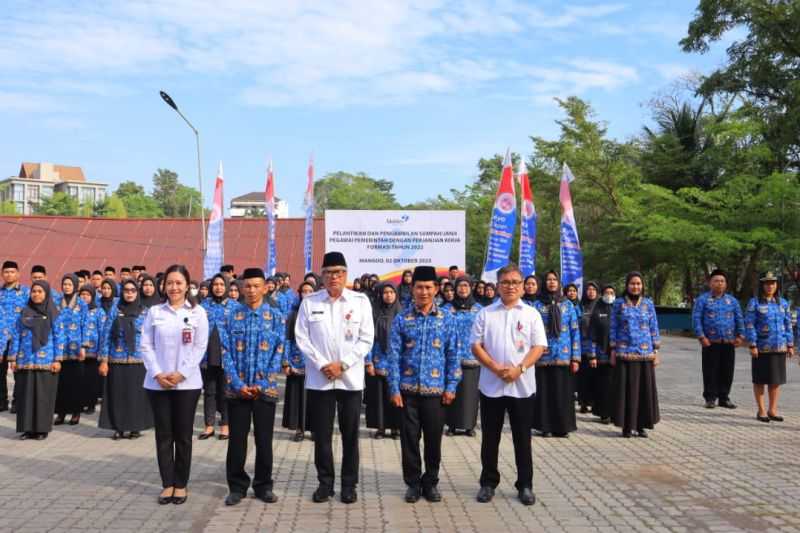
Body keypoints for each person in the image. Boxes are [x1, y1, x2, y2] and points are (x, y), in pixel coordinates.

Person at [295, 252, 374, 505]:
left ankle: (349, 485)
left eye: (338, 272)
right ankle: (325, 484)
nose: (333, 277)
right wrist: (321, 364)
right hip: (320, 380)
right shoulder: (310, 302)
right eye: (328, 273)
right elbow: (302, 338)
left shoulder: (360, 301)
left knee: (350, 434)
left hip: (350, 380)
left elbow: (366, 339)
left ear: (346, 274)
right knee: (322, 435)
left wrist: (344, 364)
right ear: (322, 275)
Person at [470, 264, 546, 506]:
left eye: (515, 282)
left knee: (522, 438)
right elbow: (476, 345)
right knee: (490, 438)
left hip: (522, 387)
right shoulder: (485, 313)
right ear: (498, 286)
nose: (511, 286)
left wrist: (519, 369)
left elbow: (539, 347)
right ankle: (488, 483)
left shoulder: (531, 314)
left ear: (523, 286)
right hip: (491, 385)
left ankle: (525, 485)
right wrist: (494, 368)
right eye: (506, 282)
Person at [388, 265, 460, 504]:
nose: (424, 292)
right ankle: (413, 483)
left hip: (436, 392)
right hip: (407, 392)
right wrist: (394, 388)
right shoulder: (402, 319)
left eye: (429, 287)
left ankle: (431, 482)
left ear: (437, 289)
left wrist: (451, 387)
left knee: (433, 440)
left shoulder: (447, 319)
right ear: (412, 288)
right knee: (409, 440)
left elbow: (453, 355)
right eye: (419, 287)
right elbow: (393, 356)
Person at [141, 264, 209, 505]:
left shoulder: (198, 312)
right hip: (157, 383)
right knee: (163, 435)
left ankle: (181, 484)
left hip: (187, 384)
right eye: (170, 283)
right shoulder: (155, 312)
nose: (174, 287)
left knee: (183, 435)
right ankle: (167, 483)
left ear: (187, 285)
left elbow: (200, 347)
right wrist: (158, 373)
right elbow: (146, 345)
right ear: (163, 285)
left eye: (179, 282)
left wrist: (181, 374)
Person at [222, 268, 284, 507]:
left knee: (264, 440)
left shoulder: (276, 317)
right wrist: (237, 383)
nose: (251, 290)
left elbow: (279, 353)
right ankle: (237, 486)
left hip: (264, 391)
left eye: (256, 285)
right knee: (237, 440)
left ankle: (263, 486)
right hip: (237, 391)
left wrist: (262, 383)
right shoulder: (230, 316)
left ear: (265, 287)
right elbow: (225, 351)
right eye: (247, 286)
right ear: (240, 288)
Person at [98, 279, 154, 439]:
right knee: (118, 395)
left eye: (133, 291)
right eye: (126, 290)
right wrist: (104, 361)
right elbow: (106, 335)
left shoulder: (145, 312)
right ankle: (119, 427)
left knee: (136, 395)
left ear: (137, 293)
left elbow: (151, 338)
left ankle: (135, 427)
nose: (129, 293)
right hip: (117, 360)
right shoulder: (115, 311)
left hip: (139, 361)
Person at [10, 280, 64, 440]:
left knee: (43, 397)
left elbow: (59, 336)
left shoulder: (53, 311)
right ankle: (27, 428)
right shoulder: (24, 312)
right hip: (25, 361)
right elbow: (16, 335)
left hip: (46, 361)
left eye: (40, 291)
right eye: (34, 291)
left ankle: (42, 429)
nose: (36, 294)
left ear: (46, 293)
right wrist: (13, 358)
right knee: (25, 396)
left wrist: (57, 359)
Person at [610, 272, 661, 438]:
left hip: (645, 354)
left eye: (638, 283)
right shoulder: (618, 304)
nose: (635, 286)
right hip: (624, 353)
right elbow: (613, 327)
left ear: (642, 286)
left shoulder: (648, 304)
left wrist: (656, 351)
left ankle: (641, 426)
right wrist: (612, 349)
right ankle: (626, 426)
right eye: (632, 283)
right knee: (626, 392)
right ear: (627, 285)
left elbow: (654, 327)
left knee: (643, 391)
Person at [531, 271, 580, 437]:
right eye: (548, 280)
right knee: (544, 393)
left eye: (554, 280)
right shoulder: (536, 305)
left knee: (563, 393)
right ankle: (545, 427)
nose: (551, 282)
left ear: (559, 283)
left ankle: (562, 427)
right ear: (544, 283)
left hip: (563, 356)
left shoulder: (568, 305)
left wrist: (576, 358)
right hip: (542, 356)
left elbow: (575, 331)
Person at [745, 272, 794, 423]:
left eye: (773, 283)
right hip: (762, 348)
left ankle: (772, 410)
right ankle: (761, 411)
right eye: (767, 283)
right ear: (762, 285)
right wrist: (752, 344)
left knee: (775, 381)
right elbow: (750, 324)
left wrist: (790, 344)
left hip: (779, 347)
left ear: (776, 285)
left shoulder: (783, 303)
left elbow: (788, 325)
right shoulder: (755, 303)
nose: (770, 286)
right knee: (760, 380)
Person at [692, 269, 745, 409]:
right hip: (710, 342)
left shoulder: (732, 301)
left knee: (727, 371)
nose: (719, 284)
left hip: (728, 342)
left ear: (726, 284)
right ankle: (710, 398)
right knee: (710, 370)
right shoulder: (702, 300)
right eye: (716, 281)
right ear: (710, 283)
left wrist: (741, 336)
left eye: (722, 281)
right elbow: (696, 319)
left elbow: (739, 319)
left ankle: (724, 398)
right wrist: (701, 336)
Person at [198, 274, 234, 441]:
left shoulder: (235, 306)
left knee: (225, 391)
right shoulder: (204, 305)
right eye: (215, 284)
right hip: (207, 354)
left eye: (221, 284)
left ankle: (226, 426)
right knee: (209, 391)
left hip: (227, 355)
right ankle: (209, 425)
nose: (218, 287)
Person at [446, 276, 482, 437]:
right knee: (453, 390)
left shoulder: (479, 309)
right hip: (452, 357)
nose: (462, 289)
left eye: (466, 286)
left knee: (470, 393)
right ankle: (452, 425)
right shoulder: (447, 308)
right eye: (460, 286)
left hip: (472, 357)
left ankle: (469, 426)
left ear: (471, 288)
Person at [365, 282, 402, 440]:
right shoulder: (374, 313)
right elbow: (367, 340)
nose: (388, 295)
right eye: (385, 292)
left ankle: (396, 428)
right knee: (379, 397)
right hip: (378, 359)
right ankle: (380, 428)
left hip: (397, 363)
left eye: (391, 292)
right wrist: (369, 362)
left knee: (394, 394)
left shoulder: (402, 314)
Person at [282, 281, 316, 442]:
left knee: (314, 398)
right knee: (297, 398)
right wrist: (286, 362)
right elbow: (287, 339)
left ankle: (314, 428)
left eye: (310, 291)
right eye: (304, 291)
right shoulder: (293, 314)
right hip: (296, 362)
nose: (307, 294)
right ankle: (299, 429)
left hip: (315, 363)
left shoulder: (319, 312)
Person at [54, 274, 87, 426]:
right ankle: (60, 413)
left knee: (76, 382)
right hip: (60, 349)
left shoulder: (81, 304)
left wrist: (83, 347)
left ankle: (75, 412)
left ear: (75, 286)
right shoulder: (56, 302)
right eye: (64, 284)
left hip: (76, 349)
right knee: (61, 383)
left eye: (69, 284)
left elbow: (85, 325)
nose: (66, 286)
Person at [0, 261, 29, 413]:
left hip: (19, 338)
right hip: (1, 339)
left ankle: (18, 402)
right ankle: (2, 401)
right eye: (6, 272)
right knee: (0, 371)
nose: (9, 274)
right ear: (2, 274)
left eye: (12, 272)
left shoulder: (26, 292)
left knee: (19, 371)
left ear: (18, 274)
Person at [589, 285, 615, 424]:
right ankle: (603, 413)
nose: (609, 295)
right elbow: (592, 335)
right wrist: (592, 356)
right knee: (603, 386)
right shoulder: (597, 311)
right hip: (601, 356)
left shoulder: (618, 310)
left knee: (615, 386)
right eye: (606, 293)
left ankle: (615, 413)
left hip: (617, 355)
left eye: (612, 293)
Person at [78, 284, 105, 414]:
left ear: (92, 296)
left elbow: (102, 332)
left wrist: (101, 351)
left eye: (87, 295)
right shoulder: (76, 310)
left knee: (91, 379)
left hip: (93, 352)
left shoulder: (99, 311)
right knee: (80, 379)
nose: (84, 297)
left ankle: (91, 404)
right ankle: (81, 402)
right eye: (82, 294)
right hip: (78, 352)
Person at [577, 282, 600, 414]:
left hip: (598, 349)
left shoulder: (601, 306)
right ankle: (584, 402)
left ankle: (595, 402)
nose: (591, 292)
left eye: (593, 289)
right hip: (583, 347)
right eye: (588, 289)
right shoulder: (581, 307)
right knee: (584, 377)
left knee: (595, 377)